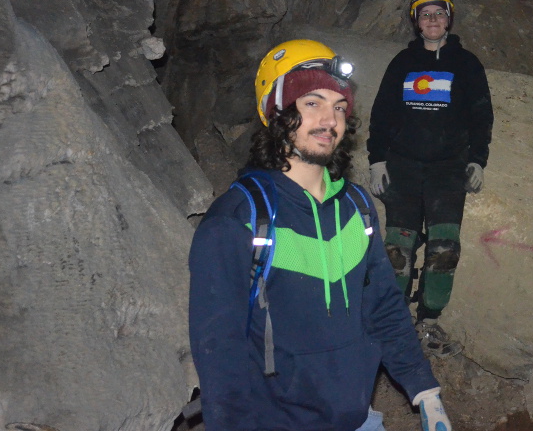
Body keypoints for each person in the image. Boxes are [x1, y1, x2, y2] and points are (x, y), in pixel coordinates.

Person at [188, 39, 452, 431]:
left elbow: (381, 306)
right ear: (276, 112)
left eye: (340, 107)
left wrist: (424, 390)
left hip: (358, 419)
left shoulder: (356, 207)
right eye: (312, 102)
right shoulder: (239, 219)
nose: (330, 119)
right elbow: (219, 354)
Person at [367, 0, 493, 359]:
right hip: (403, 167)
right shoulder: (402, 63)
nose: (433, 20)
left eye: (439, 13)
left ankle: (429, 321)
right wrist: (377, 160)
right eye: (426, 14)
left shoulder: (466, 63)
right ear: (416, 22)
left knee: (443, 247)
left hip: (448, 168)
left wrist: (478, 159)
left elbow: (481, 114)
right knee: (397, 249)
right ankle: (394, 321)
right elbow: (382, 114)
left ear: (448, 19)